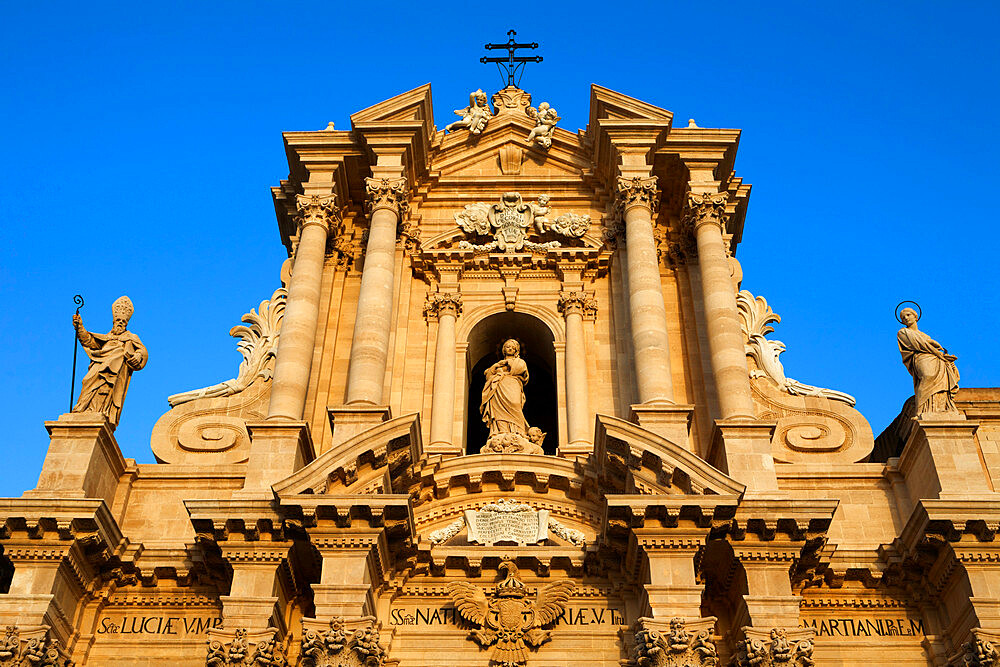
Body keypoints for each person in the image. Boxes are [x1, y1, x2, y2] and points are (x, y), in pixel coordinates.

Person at [72, 295, 148, 427]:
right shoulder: (106, 338)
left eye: (123, 322)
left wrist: (138, 355)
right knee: (87, 382)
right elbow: (89, 341)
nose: (120, 323)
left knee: (107, 388)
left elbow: (142, 351)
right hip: (99, 364)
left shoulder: (131, 337)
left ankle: (101, 411)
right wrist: (80, 327)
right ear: (113, 321)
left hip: (116, 371)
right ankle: (84, 408)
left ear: (126, 324)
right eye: (118, 320)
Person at [897, 307, 959, 415]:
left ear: (915, 317)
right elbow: (918, 344)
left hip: (935, 359)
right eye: (903, 317)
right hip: (921, 358)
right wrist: (934, 347)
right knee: (927, 377)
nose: (906, 318)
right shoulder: (903, 332)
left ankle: (937, 408)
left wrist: (944, 356)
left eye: (908, 315)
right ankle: (920, 410)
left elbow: (927, 343)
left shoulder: (925, 335)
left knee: (940, 383)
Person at [480, 339, 529, 441]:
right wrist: (496, 367)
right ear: (503, 350)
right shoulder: (498, 364)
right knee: (498, 410)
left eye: (513, 347)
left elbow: (521, 369)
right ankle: (500, 431)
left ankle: (518, 431)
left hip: (513, 384)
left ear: (516, 350)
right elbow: (488, 376)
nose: (510, 348)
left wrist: (506, 362)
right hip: (498, 386)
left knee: (515, 404)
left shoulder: (519, 361)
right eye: (507, 346)